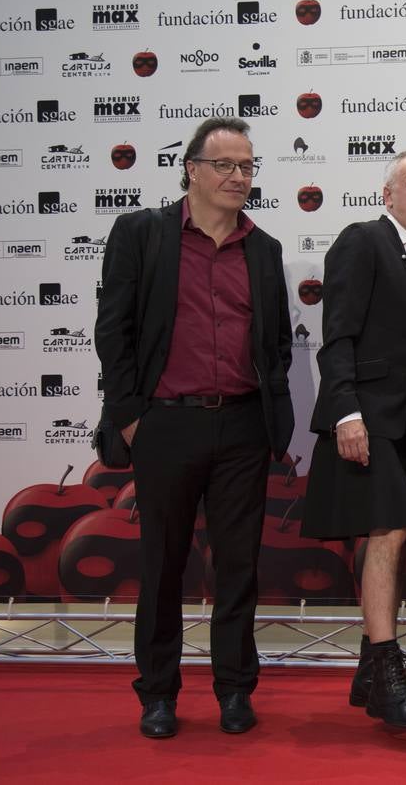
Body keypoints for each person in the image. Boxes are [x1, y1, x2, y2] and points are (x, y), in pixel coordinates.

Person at [96, 117, 294, 738]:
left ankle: (235, 690)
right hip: (165, 426)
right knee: (163, 566)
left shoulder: (264, 249)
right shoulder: (142, 234)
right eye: (226, 166)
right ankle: (158, 693)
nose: (240, 178)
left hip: (240, 426)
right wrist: (131, 418)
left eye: (247, 167)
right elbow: (114, 331)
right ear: (191, 169)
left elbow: (276, 344)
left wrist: (270, 425)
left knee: (238, 567)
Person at [302, 149, 406, 728]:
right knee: (388, 533)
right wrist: (345, 414)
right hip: (368, 417)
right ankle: (388, 677)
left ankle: (367, 670)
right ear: (388, 196)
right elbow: (336, 334)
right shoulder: (362, 240)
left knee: (398, 538)